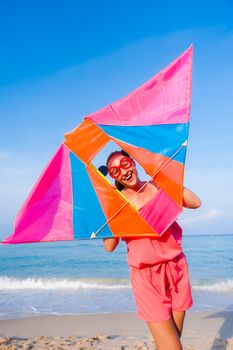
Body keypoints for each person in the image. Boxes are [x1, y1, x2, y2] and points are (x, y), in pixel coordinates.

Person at [103, 150, 201, 350]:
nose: (123, 171)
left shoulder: (157, 186)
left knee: (170, 339)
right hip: (146, 278)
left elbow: (195, 202)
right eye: (115, 171)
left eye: (124, 163)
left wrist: (163, 176)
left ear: (132, 162)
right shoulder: (117, 204)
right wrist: (111, 211)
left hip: (176, 268)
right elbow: (109, 246)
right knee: (172, 346)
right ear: (113, 177)